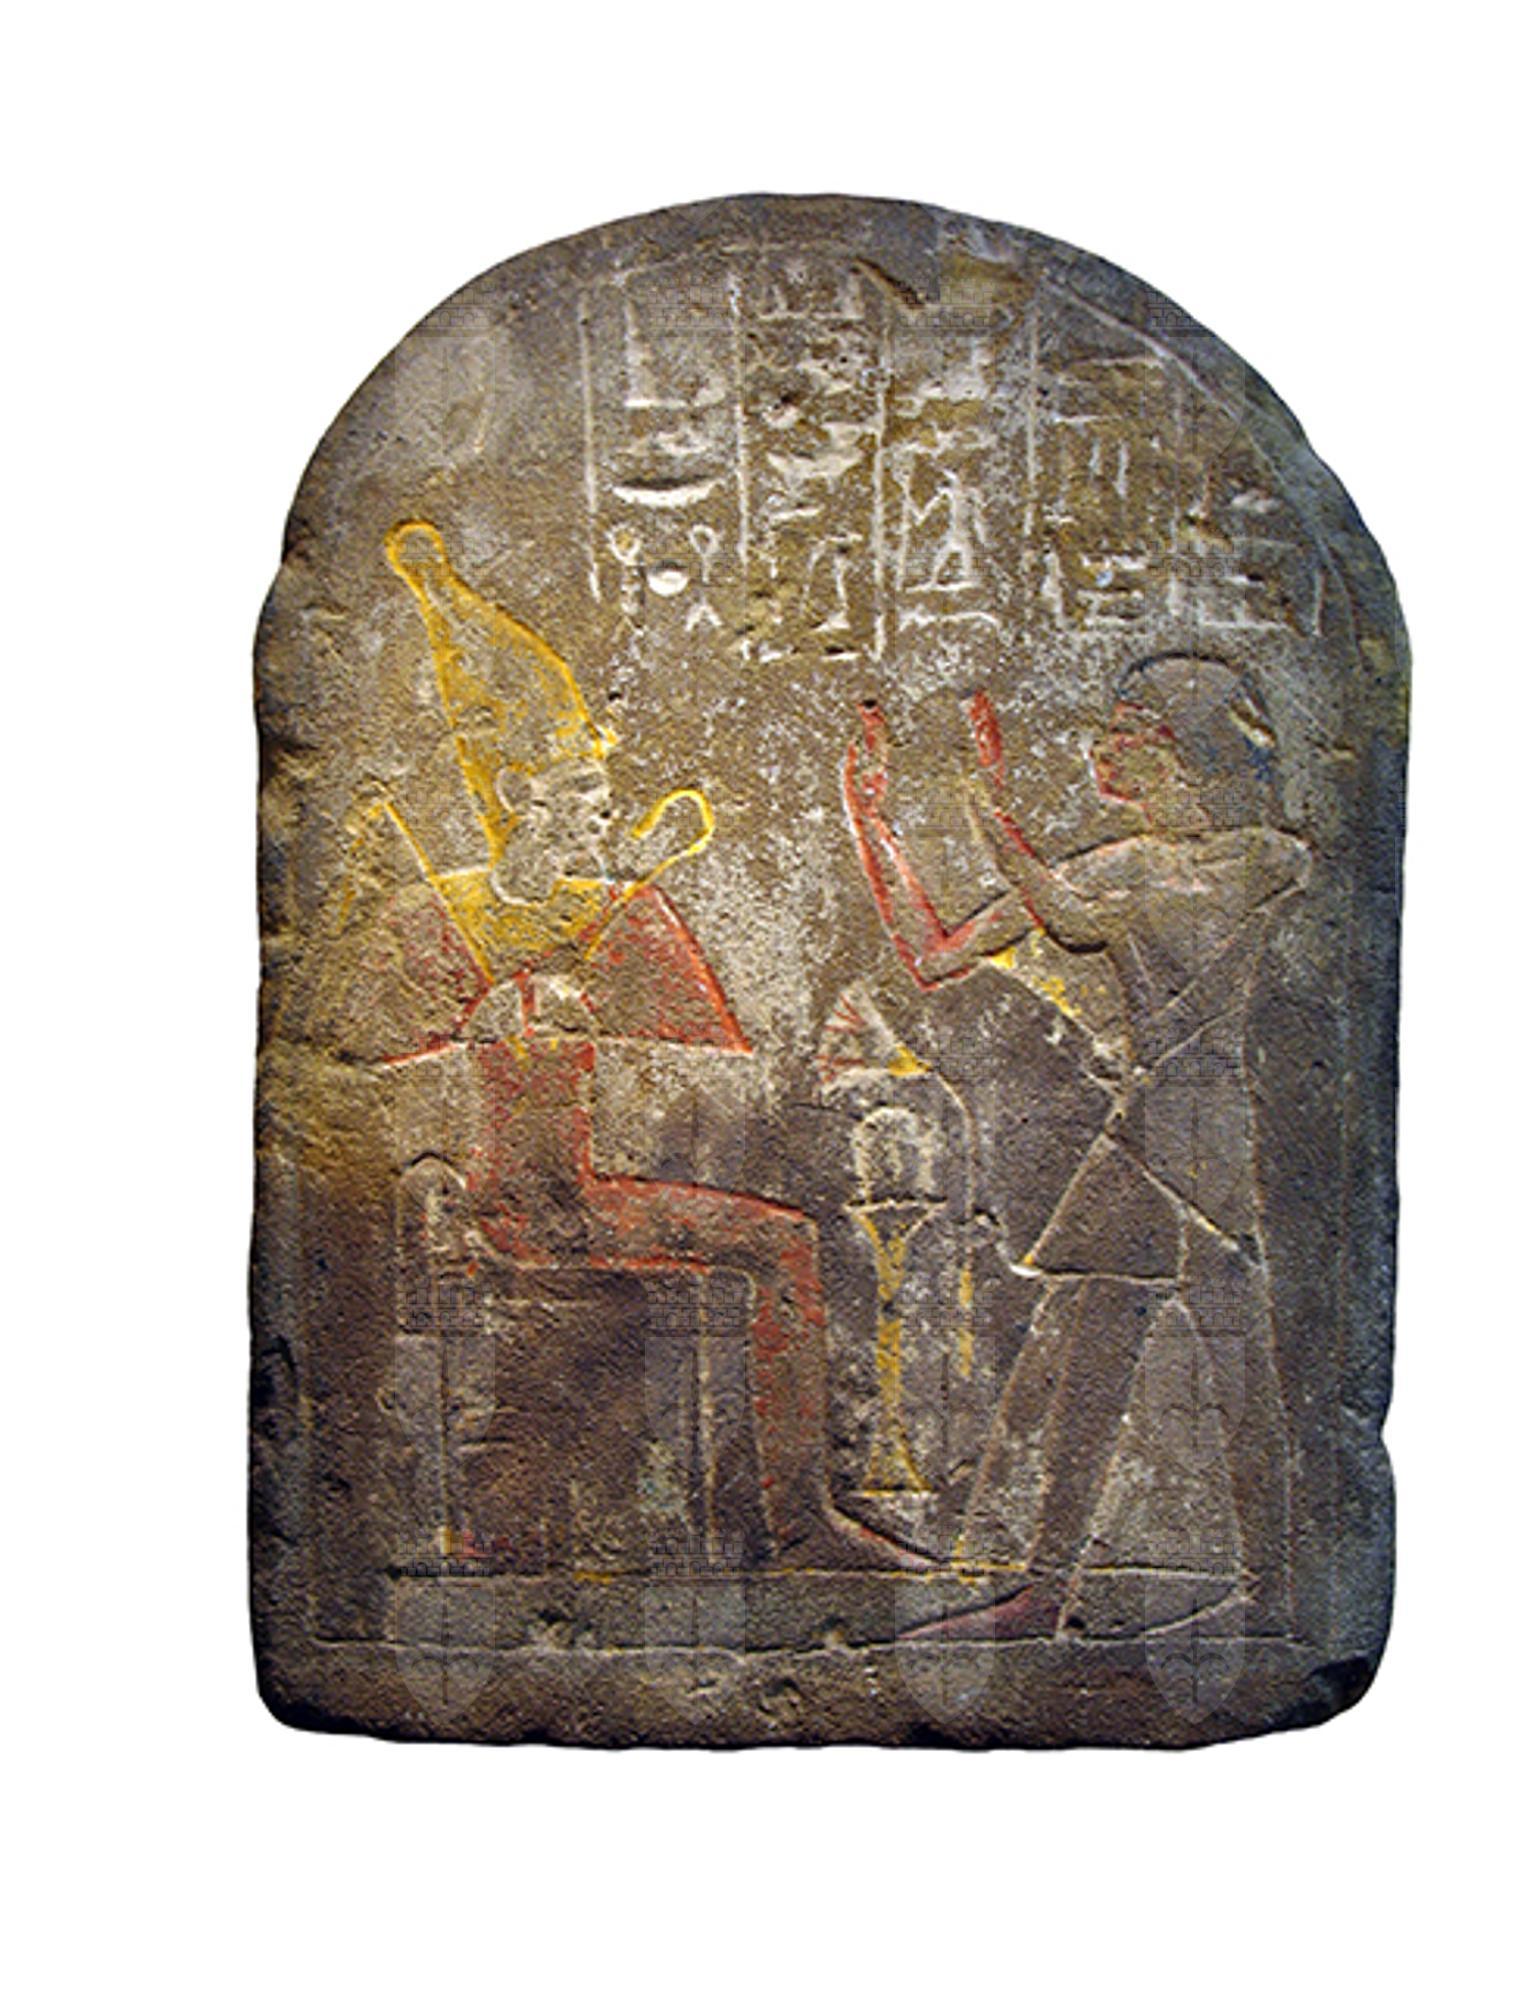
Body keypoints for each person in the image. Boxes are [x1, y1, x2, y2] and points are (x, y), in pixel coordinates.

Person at [313, 520, 921, 1573]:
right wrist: (480, 1032)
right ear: (519, 798)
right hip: (510, 1205)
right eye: (585, 801)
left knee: (790, 1235)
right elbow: (351, 1084)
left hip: (585, 1188)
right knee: (780, 1247)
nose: (605, 819)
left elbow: (711, 1064)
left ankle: (791, 1518)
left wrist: (606, 1009)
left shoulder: (619, 911)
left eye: (605, 802)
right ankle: (794, 1523)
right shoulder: (434, 916)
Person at [842, 656, 1309, 1634]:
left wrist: (985, 806)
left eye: (1127, 724)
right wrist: (875, 824)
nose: (1104, 741)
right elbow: (934, 955)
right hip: (1150, 1128)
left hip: (1200, 1133)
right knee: (1100, 1354)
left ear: (1182, 747)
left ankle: (1263, 1590)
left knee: (1226, 1357)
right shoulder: (1123, 866)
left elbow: (1082, 912)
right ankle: (1051, 1587)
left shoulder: (1261, 858)